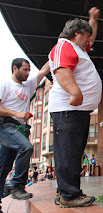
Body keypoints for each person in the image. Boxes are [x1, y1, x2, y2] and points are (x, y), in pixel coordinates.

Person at [48, 7, 102, 208]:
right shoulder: (64, 46)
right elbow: (62, 70)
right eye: (86, 36)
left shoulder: (78, 47)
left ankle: (65, 191)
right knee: (68, 152)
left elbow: (92, 36)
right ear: (77, 33)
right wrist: (76, 93)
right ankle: (69, 195)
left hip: (76, 111)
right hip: (67, 109)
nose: (89, 41)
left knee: (73, 152)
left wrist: (92, 19)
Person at [0, 58, 49, 210]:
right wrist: (17, 113)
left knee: (3, 168)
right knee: (26, 148)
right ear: (15, 68)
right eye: (24, 70)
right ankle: (17, 187)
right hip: (6, 126)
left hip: (19, 129)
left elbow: (43, 70)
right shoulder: (5, 85)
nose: (28, 73)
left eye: (29, 70)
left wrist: (61, 43)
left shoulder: (28, 86)